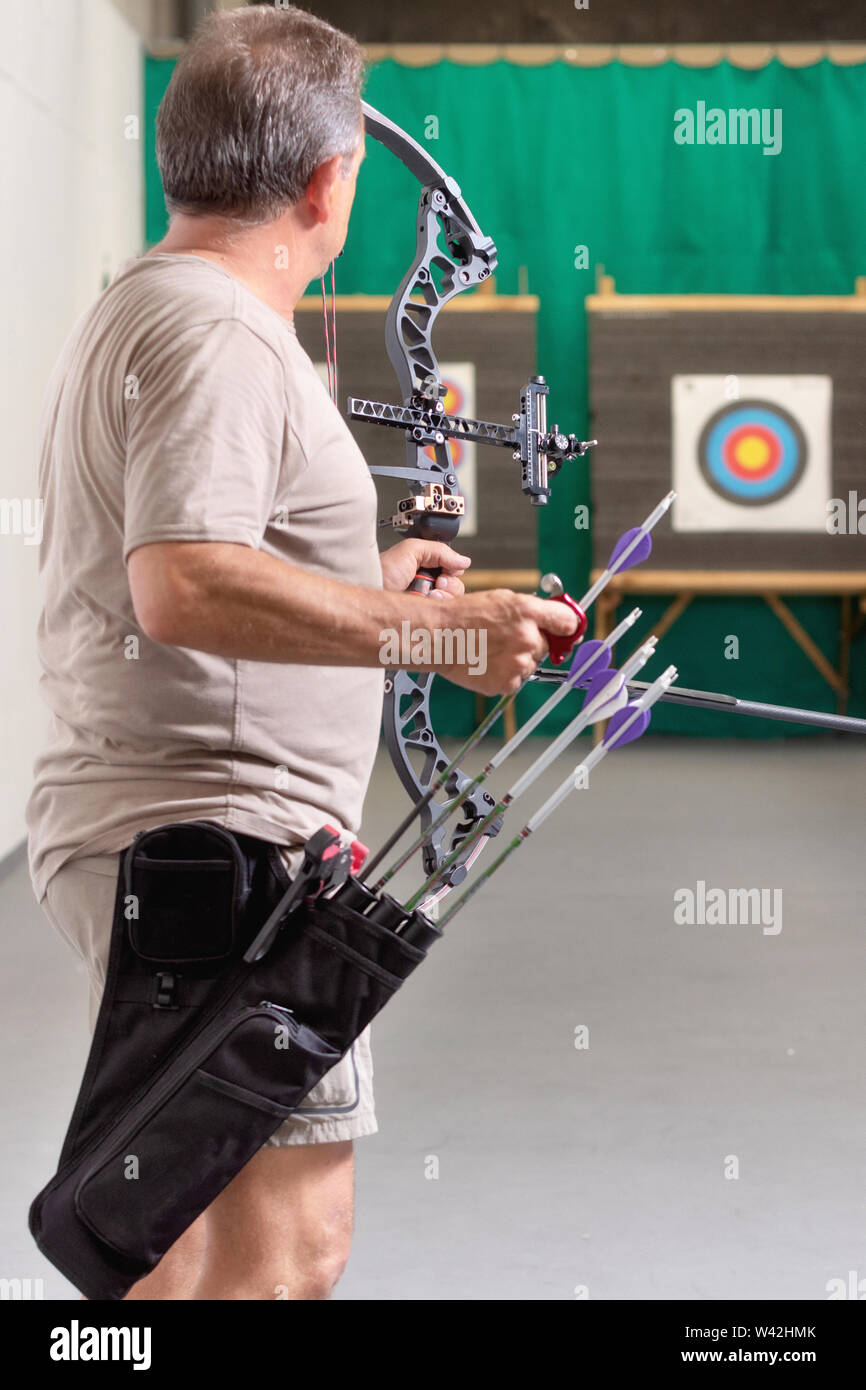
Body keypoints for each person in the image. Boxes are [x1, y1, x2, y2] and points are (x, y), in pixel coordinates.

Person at [26, 4, 576, 1301]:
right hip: (215, 849)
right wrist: (438, 629)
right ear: (333, 182)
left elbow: (199, 560)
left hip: (196, 840)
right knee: (273, 1259)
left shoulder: (163, 309)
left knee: (178, 1226)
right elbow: (184, 581)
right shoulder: (214, 328)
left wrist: (365, 587)